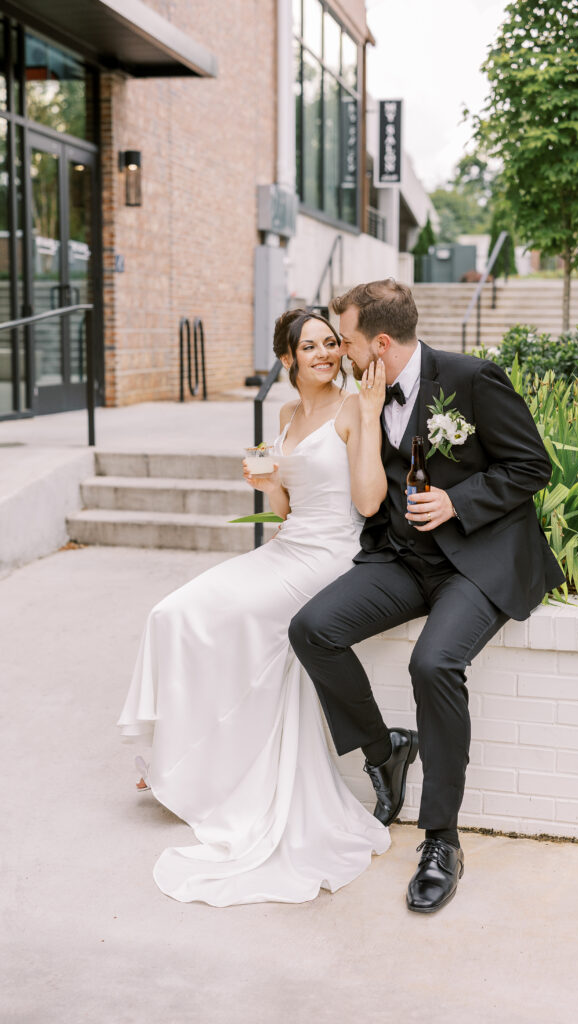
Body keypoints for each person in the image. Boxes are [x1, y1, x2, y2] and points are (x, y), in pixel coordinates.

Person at [289, 279, 565, 914]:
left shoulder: (470, 379)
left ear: (381, 343)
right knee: (312, 628)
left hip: (476, 562)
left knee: (433, 663)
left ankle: (441, 839)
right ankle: (385, 753)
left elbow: (530, 467)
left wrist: (456, 500)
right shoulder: (366, 394)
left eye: (350, 342)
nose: (342, 354)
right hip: (403, 560)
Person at [117, 308, 394, 907]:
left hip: (331, 555)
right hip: (290, 545)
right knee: (174, 612)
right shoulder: (287, 413)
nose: (324, 353)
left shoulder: (353, 408)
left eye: (330, 343)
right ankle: (185, 761)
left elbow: (369, 502)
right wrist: (267, 487)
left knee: (234, 619)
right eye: (310, 346)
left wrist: (370, 418)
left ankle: (204, 770)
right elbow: (291, 508)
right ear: (287, 359)